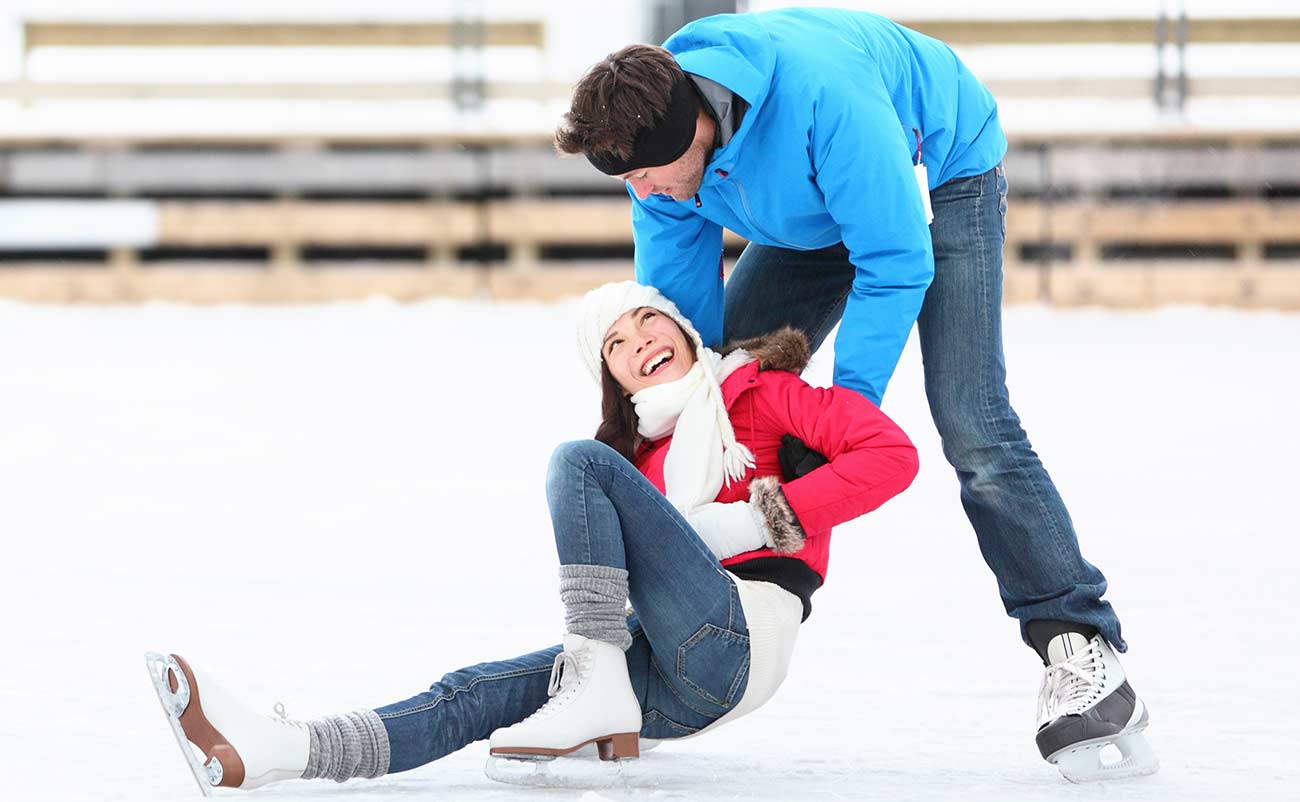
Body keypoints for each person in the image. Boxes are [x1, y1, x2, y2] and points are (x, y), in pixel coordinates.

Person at [554, 8, 1157, 781]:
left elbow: (895, 261)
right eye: (628, 179)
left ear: (693, 129)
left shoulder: (824, 100)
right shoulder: (653, 138)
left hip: (941, 175)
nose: (642, 191)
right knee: (723, 388)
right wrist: (690, 405)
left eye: (645, 174)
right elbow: (687, 346)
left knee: (973, 422)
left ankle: (1079, 643)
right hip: (817, 207)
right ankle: (699, 609)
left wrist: (848, 414)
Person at [146, 281, 919, 792]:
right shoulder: (637, 465)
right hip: (680, 686)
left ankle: (594, 681)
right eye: (614, 343)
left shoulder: (765, 393)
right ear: (615, 380)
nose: (639, 337)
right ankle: (287, 751)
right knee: (475, 691)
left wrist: (758, 519)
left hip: (744, 632)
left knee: (576, 463)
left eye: (647, 316)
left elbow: (893, 456)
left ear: (681, 328)